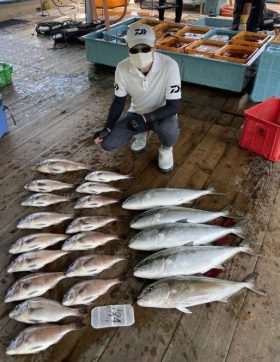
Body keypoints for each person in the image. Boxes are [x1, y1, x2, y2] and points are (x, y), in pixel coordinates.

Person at [93, 24, 181, 173]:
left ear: (154, 46)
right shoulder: (122, 68)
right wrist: (107, 127)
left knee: (168, 129)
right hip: (137, 113)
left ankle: (166, 148)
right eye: (134, 49)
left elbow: (173, 106)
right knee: (107, 143)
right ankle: (143, 132)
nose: (140, 53)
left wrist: (146, 119)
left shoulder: (170, 65)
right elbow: (119, 101)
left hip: (163, 114)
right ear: (127, 47)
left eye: (145, 48)